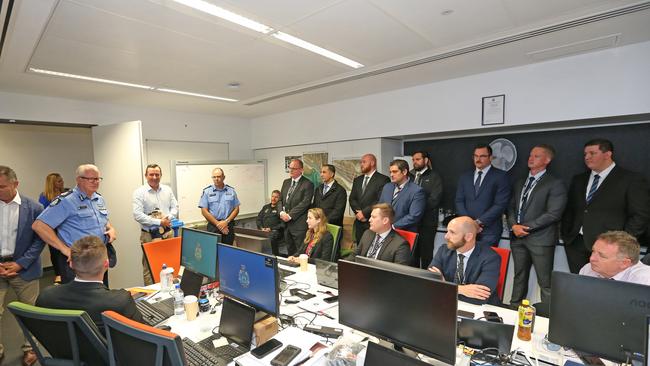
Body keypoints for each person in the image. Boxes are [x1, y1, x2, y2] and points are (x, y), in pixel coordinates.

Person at [561, 138, 650, 273]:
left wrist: (622, 243)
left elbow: (640, 215)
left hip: (610, 249)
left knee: (605, 289)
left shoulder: (631, 179)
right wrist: (567, 235)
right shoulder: (578, 179)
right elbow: (570, 210)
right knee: (579, 287)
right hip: (576, 244)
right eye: (585, 154)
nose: (587, 157)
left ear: (607, 154)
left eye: (592, 153)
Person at [36, 236, 143, 333]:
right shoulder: (120, 301)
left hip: (62, 353)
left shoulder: (46, 296)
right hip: (108, 354)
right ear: (106, 264)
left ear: (71, 263)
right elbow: (145, 334)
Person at [32, 164, 116, 286]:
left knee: (101, 296)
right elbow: (39, 226)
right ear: (79, 179)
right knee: (79, 301)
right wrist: (64, 249)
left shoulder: (98, 198)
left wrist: (111, 228)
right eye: (91, 179)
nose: (95, 182)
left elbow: (102, 219)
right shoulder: (66, 200)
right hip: (78, 261)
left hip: (99, 259)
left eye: (97, 179)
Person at [507, 145, 567, 305]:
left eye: (537, 156)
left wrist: (525, 228)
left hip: (541, 239)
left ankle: (548, 318)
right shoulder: (520, 182)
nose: (531, 158)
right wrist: (513, 226)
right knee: (519, 277)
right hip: (517, 238)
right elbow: (511, 207)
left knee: (545, 282)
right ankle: (513, 310)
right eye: (530, 155)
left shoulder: (555, 183)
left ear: (547, 160)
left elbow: (553, 213)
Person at [0, 166, 45, 366]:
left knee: (30, 312)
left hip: (24, 269)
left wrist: (20, 264)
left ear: (15, 184)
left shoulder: (34, 208)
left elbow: (39, 240)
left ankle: (30, 349)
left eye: (1, 187)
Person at [428, 216, 501, 305]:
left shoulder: (491, 258)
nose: (446, 236)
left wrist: (444, 287)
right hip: (447, 304)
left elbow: (480, 298)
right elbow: (430, 284)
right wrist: (460, 289)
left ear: (468, 237)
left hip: (481, 309)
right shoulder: (444, 250)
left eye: (452, 232)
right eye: (447, 231)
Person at [455, 143, 511, 247]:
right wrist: (469, 222)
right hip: (467, 229)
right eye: (476, 156)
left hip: (489, 231)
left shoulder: (501, 176)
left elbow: (500, 204)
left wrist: (478, 222)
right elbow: (459, 200)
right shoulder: (465, 177)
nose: (478, 159)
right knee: (467, 261)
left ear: (490, 158)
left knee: (485, 261)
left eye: (482, 156)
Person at [132, 164, 179, 285]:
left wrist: (168, 217)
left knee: (170, 262)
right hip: (149, 235)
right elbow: (137, 215)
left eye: (157, 174)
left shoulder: (167, 190)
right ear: (146, 176)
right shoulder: (139, 192)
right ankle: (150, 294)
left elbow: (175, 207)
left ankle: (171, 289)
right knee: (149, 267)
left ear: (161, 175)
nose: (154, 177)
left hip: (167, 233)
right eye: (151, 174)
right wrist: (159, 222)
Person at [410, 151, 443, 268]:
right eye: (413, 159)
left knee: (426, 255)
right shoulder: (409, 176)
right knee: (412, 254)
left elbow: (434, 199)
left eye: (418, 159)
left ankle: (426, 282)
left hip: (427, 223)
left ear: (426, 160)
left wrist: (416, 210)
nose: (415, 162)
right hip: (411, 223)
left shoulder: (434, 176)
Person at [579, 231, 650, 285]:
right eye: (593, 251)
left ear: (624, 263)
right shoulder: (588, 269)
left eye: (602, 256)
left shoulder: (644, 280)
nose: (592, 259)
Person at [349, 154, 390, 244]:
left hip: (374, 221)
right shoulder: (357, 180)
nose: (361, 164)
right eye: (361, 162)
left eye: (364, 162)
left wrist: (364, 213)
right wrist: (358, 213)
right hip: (359, 223)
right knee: (360, 249)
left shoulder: (383, 179)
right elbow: (352, 199)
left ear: (372, 163)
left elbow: (380, 201)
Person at [378, 159, 425, 232]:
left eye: (395, 172)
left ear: (404, 172)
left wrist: (393, 226)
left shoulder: (416, 191)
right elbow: (380, 207)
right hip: (384, 231)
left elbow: (414, 216)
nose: (391, 175)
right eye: (390, 172)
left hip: (404, 233)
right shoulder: (387, 187)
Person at [280, 159, 314, 256]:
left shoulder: (308, 184)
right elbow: (280, 200)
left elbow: (305, 203)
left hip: (299, 225)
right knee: (290, 251)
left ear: (301, 170)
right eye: (290, 168)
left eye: (294, 168)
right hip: (286, 225)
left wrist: (290, 215)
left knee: (300, 252)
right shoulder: (286, 182)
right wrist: (281, 213)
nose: (291, 170)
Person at [199, 168, 240, 245]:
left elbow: (236, 208)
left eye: (218, 176)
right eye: (214, 177)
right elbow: (204, 211)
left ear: (223, 177)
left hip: (228, 225)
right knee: (213, 251)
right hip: (213, 226)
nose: (216, 179)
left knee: (228, 251)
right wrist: (218, 224)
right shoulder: (207, 191)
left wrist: (226, 222)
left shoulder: (231, 191)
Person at [38, 172, 66, 285]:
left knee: (67, 249)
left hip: (65, 227)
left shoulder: (66, 193)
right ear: (52, 184)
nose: (62, 182)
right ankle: (58, 274)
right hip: (53, 228)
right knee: (55, 251)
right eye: (59, 181)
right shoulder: (45, 196)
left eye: (61, 180)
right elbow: (42, 212)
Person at [256, 190, 284, 256]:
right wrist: (261, 228)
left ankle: (274, 256)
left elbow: (283, 224)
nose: (273, 199)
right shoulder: (265, 207)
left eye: (276, 197)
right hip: (263, 230)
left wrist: (270, 228)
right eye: (272, 196)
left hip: (275, 231)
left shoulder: (281, 209)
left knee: (271, 237)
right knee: (254, 237)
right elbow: (258, 219)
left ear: (279, 199)